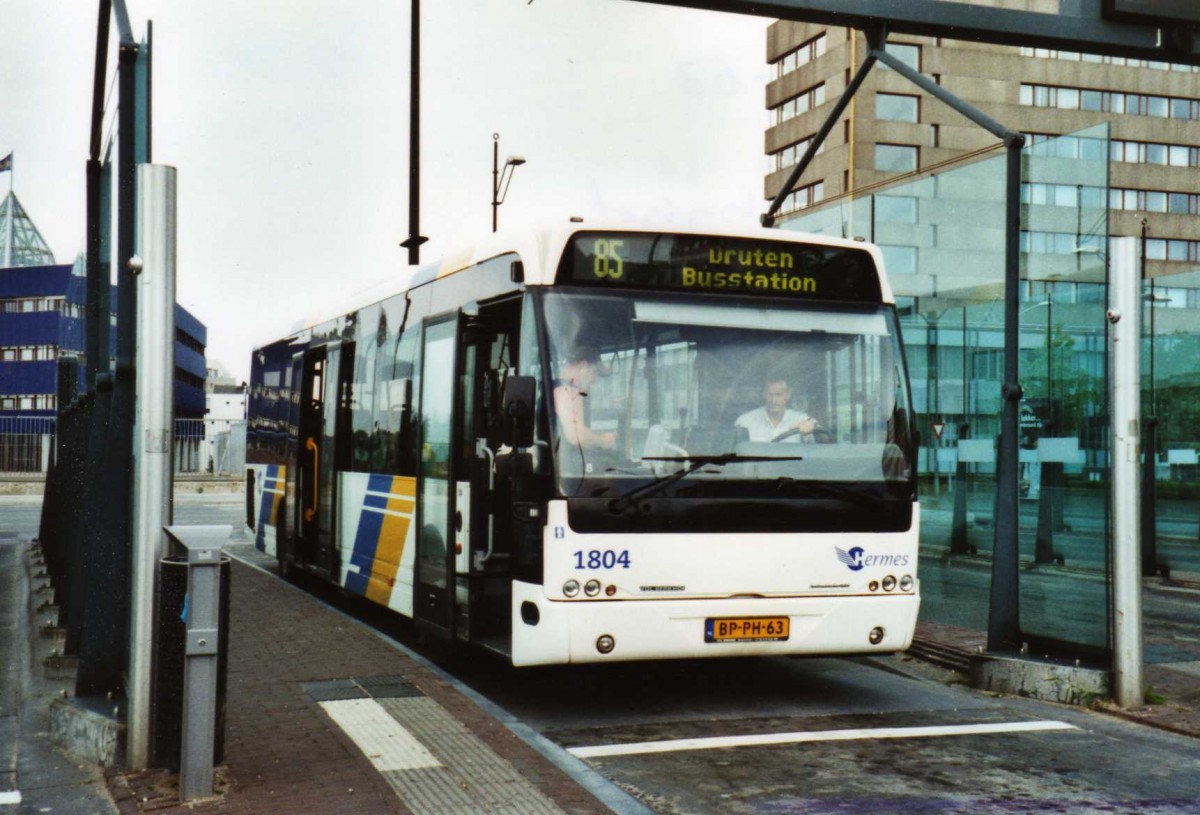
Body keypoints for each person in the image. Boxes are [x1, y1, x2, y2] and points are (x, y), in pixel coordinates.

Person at [553, 349, 617, 451]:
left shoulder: (555, 387)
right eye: (594, 372)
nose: (595, 380)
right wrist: (603, 440)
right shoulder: (568, 391)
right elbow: (576, 436)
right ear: (583, 365)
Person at [735, 377, 818, 442]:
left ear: (788, 394)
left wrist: (812, 427)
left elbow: (825, 442)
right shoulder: (745, 421)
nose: (774, 400)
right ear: (763, 394)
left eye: (778, 395)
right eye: (770, 395)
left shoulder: (801, 419)